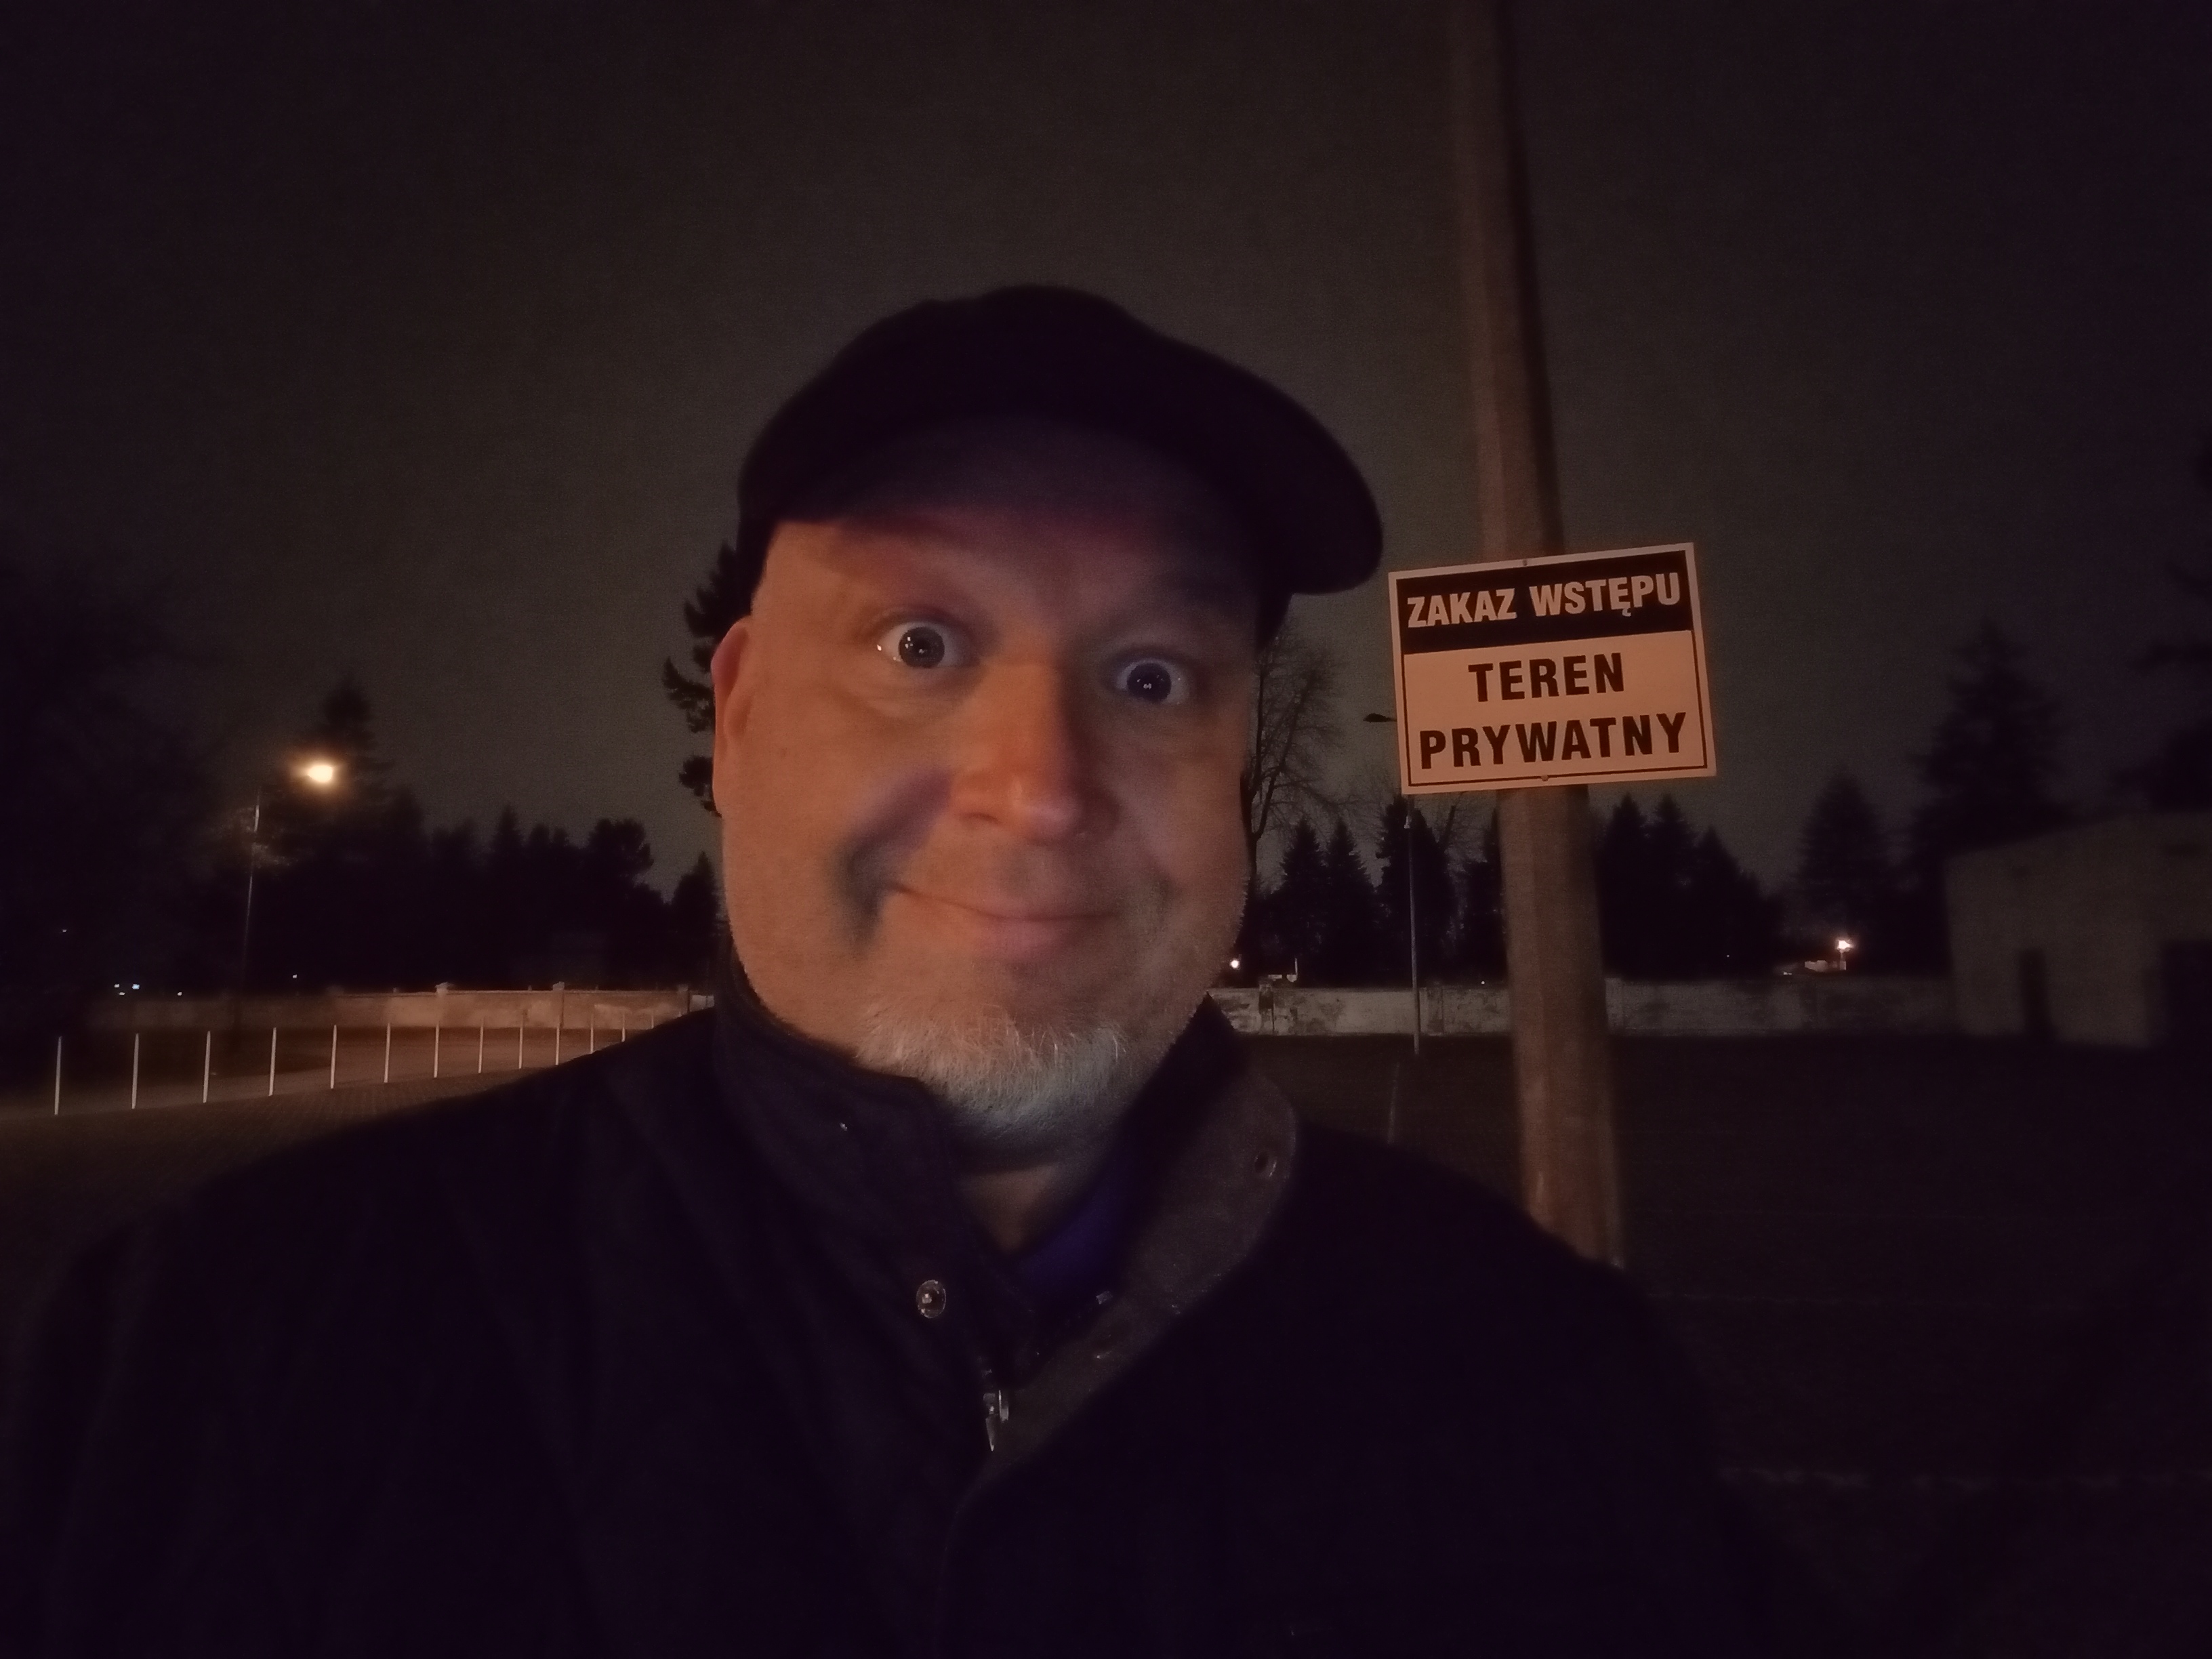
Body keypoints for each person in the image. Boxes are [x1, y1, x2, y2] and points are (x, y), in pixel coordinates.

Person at [1, 288, 1769, 1656]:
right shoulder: (208, 1366)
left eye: (1154, 677)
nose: (1043, 784)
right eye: (921, 644)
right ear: (741, 715)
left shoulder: (1544, 1378)